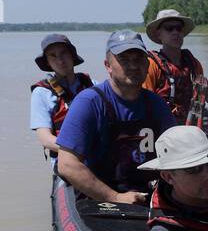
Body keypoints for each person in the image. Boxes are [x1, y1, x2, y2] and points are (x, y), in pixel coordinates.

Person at [55, 30, 175, 204]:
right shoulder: (89, 102)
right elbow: (66, 165)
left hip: (148, 194)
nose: (133, 66)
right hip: (102, 200)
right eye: (124, 60)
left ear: (147, 65)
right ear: (108, 66)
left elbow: (176, 151)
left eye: (138, 59)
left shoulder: (156, 104)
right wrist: (115, 197)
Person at [143, 9, 208, 126]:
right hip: (162, 130)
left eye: (179, 28)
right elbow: (143, 101)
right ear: (159, 34)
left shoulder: (193, 64)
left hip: (191, 129)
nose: (175, 32)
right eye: (169, 28)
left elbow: (204, 89)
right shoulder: (151, 65)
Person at [29, 33, 93, 163]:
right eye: (53, 56)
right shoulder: (41, 93)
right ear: (47, 61)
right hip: (65, 162)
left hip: (97, 158)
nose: (60, 60)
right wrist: (79, 148)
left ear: (72, 55)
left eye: (64, 53)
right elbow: (45, 139)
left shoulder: (93, 86)